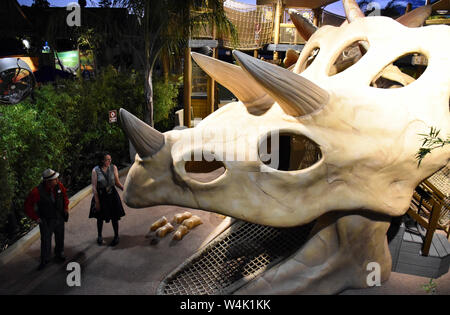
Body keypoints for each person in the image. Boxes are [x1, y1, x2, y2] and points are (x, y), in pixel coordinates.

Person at [24, 169, 69, 270]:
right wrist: (36, 218)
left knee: (60, 236)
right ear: (47, 181)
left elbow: (65, 196)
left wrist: (65, 208)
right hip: (46, 220)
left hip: (59, 217)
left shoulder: (59, 186)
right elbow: (27, 206)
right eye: (55, 179)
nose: (57, 180)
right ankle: (45, 259)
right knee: (45, 240)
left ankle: (59, 254)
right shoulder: (36, 192)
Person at [89, 152, 125, 246]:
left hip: (112, 194)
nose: (110, 161)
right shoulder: (95, 170)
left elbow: (117, 182)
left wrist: (124, 189)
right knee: (100, 217)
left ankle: (116, 236)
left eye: (110, 159)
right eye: (107, 159)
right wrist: (97, 202)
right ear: (102, 160)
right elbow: (94, 187)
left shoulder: (113, 168)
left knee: (115, 217)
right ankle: (99, 236)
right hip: (101, 196)